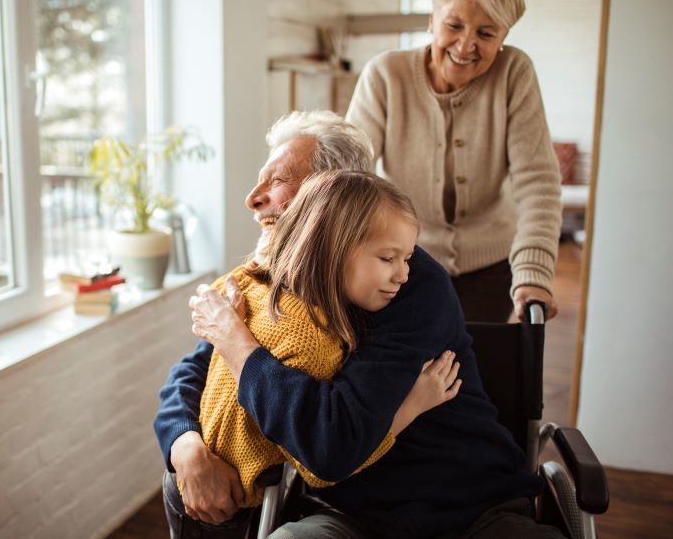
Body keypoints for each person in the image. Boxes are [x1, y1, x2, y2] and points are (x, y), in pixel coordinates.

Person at [157, 110, 564, 538]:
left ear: (335, 193)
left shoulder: (410, 286)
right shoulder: (276, 275)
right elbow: (196, 370)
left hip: (471, 508)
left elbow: (329, 446)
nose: (253, 199)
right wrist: (186, 445)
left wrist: (235, 340)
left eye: (277, 181)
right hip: (347, 514)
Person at [166, 170, 462, 536]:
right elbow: (321, 463)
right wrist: (408, 408)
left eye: (407, 259)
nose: (403, 274)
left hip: (212, 484)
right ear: (333, 241)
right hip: (231, 497)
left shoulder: (255, 288)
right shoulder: (306, 333)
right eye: (389, 258)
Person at [345, 0, 562, 322]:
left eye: (486, 33)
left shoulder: (514, 73)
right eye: (454, 25)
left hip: (491, 269)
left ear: (504, 36)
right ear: (432, 20)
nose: (465, 46)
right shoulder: (385, 75)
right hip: (406, 263)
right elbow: (348, 171)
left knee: (477, 354)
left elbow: (538, 184)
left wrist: (534, 275)